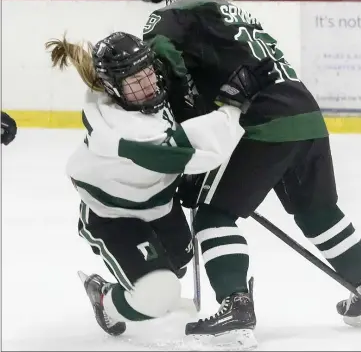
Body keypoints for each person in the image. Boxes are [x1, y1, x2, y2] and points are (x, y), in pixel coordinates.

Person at [141, 0, 361, 350]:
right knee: (317, 211)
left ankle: (235, 305)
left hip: (263, 123)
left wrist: (187, 131)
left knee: (214, 215)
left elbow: (164, 58)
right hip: (307, 116)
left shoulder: (178, 13)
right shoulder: (240, 16)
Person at [45, 31, 275, 337]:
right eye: (135, 81)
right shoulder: (121, 133)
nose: (148, 84)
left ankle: (143, 287)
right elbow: (200, 148)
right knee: (158, 292)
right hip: (114, 215)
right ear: (114, 88)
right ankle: (104, 299)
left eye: (148, 72)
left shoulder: (140, 96)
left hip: (158, 205)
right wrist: (232, 104)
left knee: (177, 263)